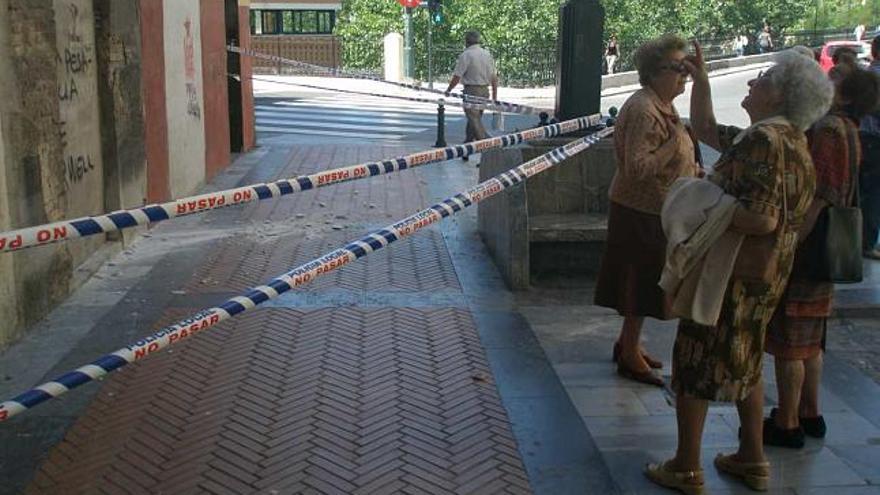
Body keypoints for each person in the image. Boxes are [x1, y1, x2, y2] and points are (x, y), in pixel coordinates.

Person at [645, 47, 832, 493]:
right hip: (768, 273)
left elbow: (760, 216)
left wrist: (701, 198)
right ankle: (752, 456)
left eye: (762, 79)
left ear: (780, 95)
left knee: (694, 358)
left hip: (732, 273)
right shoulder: (789, 139)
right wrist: (704, 82)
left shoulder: (763, 142)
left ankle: (686, 465)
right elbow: (706, 130)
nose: (752, 84)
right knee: (747, 358)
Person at [765, 68, 880, 449]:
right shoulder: (849, 128)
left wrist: (793, 238)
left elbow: (822, 192)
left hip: (813, 245)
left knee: (791, 340)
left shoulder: (829, 130)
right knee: (812, 339)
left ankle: (788, 420)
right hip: (830, 244)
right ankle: (810, 411)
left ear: (843, 94)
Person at [594, 35, 701, 387]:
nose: (684, 75)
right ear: (655, 72)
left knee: (642, 284)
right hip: (640, 210)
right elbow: (636, 168)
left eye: (687, 68)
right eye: (678, 68)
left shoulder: (661, 104)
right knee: (637, 286)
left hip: (659, 210)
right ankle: (628, 354)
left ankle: (629, 344)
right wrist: (673, 146)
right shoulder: (643, 108)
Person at [445, 31, 498, 162]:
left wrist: (448, 90)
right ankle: (467, 148)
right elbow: (494, 77)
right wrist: (494, 96)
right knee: (473, 121)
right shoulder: (487, 54)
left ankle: (488, 152)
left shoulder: (466, 55)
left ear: (466, 41)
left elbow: (457, 76)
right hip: (484, 91)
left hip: (471, 91)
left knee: (475, 122)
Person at [860, 35, 880, 258]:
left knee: (862, 191)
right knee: (875, 193)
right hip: (876, 138)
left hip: (862, 136)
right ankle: (868, 242)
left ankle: (858, 238)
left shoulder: (864, 75)